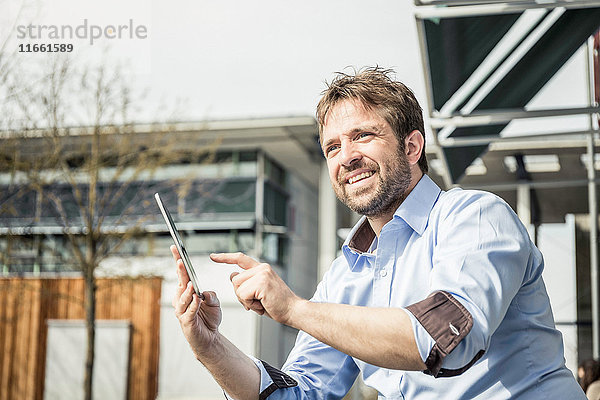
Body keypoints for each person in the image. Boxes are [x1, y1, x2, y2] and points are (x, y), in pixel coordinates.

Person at [171, 67, 586, 399]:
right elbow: (298, 394)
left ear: (412, 147)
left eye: (363, 136)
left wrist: (294, 309)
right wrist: (210, 347)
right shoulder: (345, 274)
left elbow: (444, 340)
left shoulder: (476, 217)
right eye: (332, 147)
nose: (346, 157)